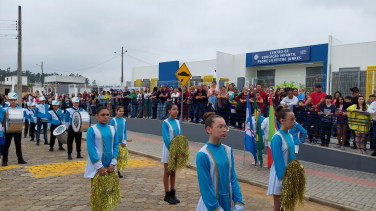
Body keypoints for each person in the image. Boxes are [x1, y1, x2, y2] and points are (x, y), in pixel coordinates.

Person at [196, 112, 244, 211]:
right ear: (209, 129)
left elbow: (233, 177)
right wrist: (215, 207)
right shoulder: (203, 154)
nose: (224, 130)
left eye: (225, 127)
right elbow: (205, 186)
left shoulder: (228, 150)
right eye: (220, 127)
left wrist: (238, 201)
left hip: (228, 200)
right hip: (211, 205)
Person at [83, 105, 119, 207]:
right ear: (97, 116)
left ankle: (107, 207)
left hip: (110, 161)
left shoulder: (112, 129)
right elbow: (91, 148)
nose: (106, 117)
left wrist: (113, 162)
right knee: (97, 189)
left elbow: (116, 145)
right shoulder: (91, 130)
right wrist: (98, 165)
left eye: (107, 115)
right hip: (96, 163)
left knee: (109, 189)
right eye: (103, 115)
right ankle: (97, 207)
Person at [267, 106, 296, 211]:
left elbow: (292, 156)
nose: (294, 122)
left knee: (286, 205)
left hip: (290, 173)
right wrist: (283, 179)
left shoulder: (290, 135)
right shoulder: (277, 137)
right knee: (277, 207)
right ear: (282, 121)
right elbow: (278, 160)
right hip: (280, 176)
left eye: (294, 119)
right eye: (291, 119)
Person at [161, 103, 182, 205]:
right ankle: (167, 194)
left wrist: (180, 149)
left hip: (176, 150)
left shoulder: (178, 122)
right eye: (174, 109)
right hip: (169, 150)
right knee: (167, 172)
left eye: (177, 109)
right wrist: (172, 151)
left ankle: (173, 192)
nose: (176, 111)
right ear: (169, 111)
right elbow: (166, 138)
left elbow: (180, 136)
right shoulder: (165, 123)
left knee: (173, 172)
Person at [1, 92, 27, 166]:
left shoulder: (21, 109)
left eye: (14, 100)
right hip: (8, 130)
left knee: (18, 145)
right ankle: (5, 161)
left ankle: (20, 159)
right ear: (9, 101)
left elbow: (23, 119)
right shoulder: (5, 109)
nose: (13, 101)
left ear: (16, 100)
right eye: (11, 100)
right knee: (6, 145)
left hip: (18, 130)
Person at [110, 106, 127, 178]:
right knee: (114, 156)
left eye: (122, 111)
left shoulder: (124, 120)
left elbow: (125, 131)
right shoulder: (113, 120)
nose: (121, 112)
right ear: (116, 111)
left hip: (121, 141)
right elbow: (111, 131)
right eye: (120, 111)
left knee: (120, 156)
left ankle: (118, 170)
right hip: (114, 141)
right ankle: (114, 169)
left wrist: (124, 141)